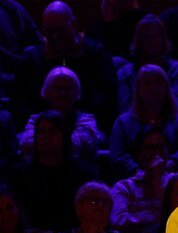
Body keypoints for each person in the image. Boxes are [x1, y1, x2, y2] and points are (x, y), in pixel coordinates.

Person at [13, 2, 118, 134]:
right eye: (49, 31)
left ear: (73, 24)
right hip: (41, 132)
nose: (55, 36)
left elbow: (107, 98)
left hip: (89, 129)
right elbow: (20, 100)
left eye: (60, 30)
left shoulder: (97, 55)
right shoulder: (33, 59)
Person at [109, 64, 178, 180]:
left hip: (174, 180)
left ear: (166, 88)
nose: (153, 88)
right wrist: (138, 172)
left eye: (158, 83)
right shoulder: (122, 123)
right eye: (147, 83)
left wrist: (166, 169)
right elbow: (118, 156)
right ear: (138, 89)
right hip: (133, 181)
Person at [19, 66, 102, 162]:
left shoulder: (86, 120)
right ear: (47, 91)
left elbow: (78, 145)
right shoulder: (35, 119)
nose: (63, 93)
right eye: (57, 88)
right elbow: (26, 144)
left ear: (76, 91)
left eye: (68, 88)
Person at [116, 14, 178, 112]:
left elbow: (176, 103)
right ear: (138, 40)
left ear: (163, 39)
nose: (152, 41)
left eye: (156, 36)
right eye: (147, 37)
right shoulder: (125, 74)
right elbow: (125, 108)